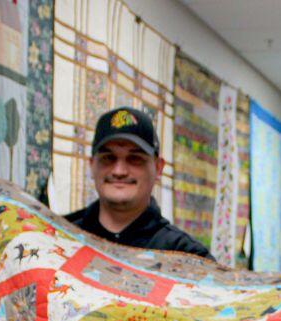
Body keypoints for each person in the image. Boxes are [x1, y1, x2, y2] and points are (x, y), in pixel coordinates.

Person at [64, 106, 212, 259]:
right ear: (92, 165)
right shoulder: (60, 237)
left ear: (158, 168)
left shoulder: (187, 256)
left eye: (135, 159)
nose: (119, 171)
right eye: (108, 158)